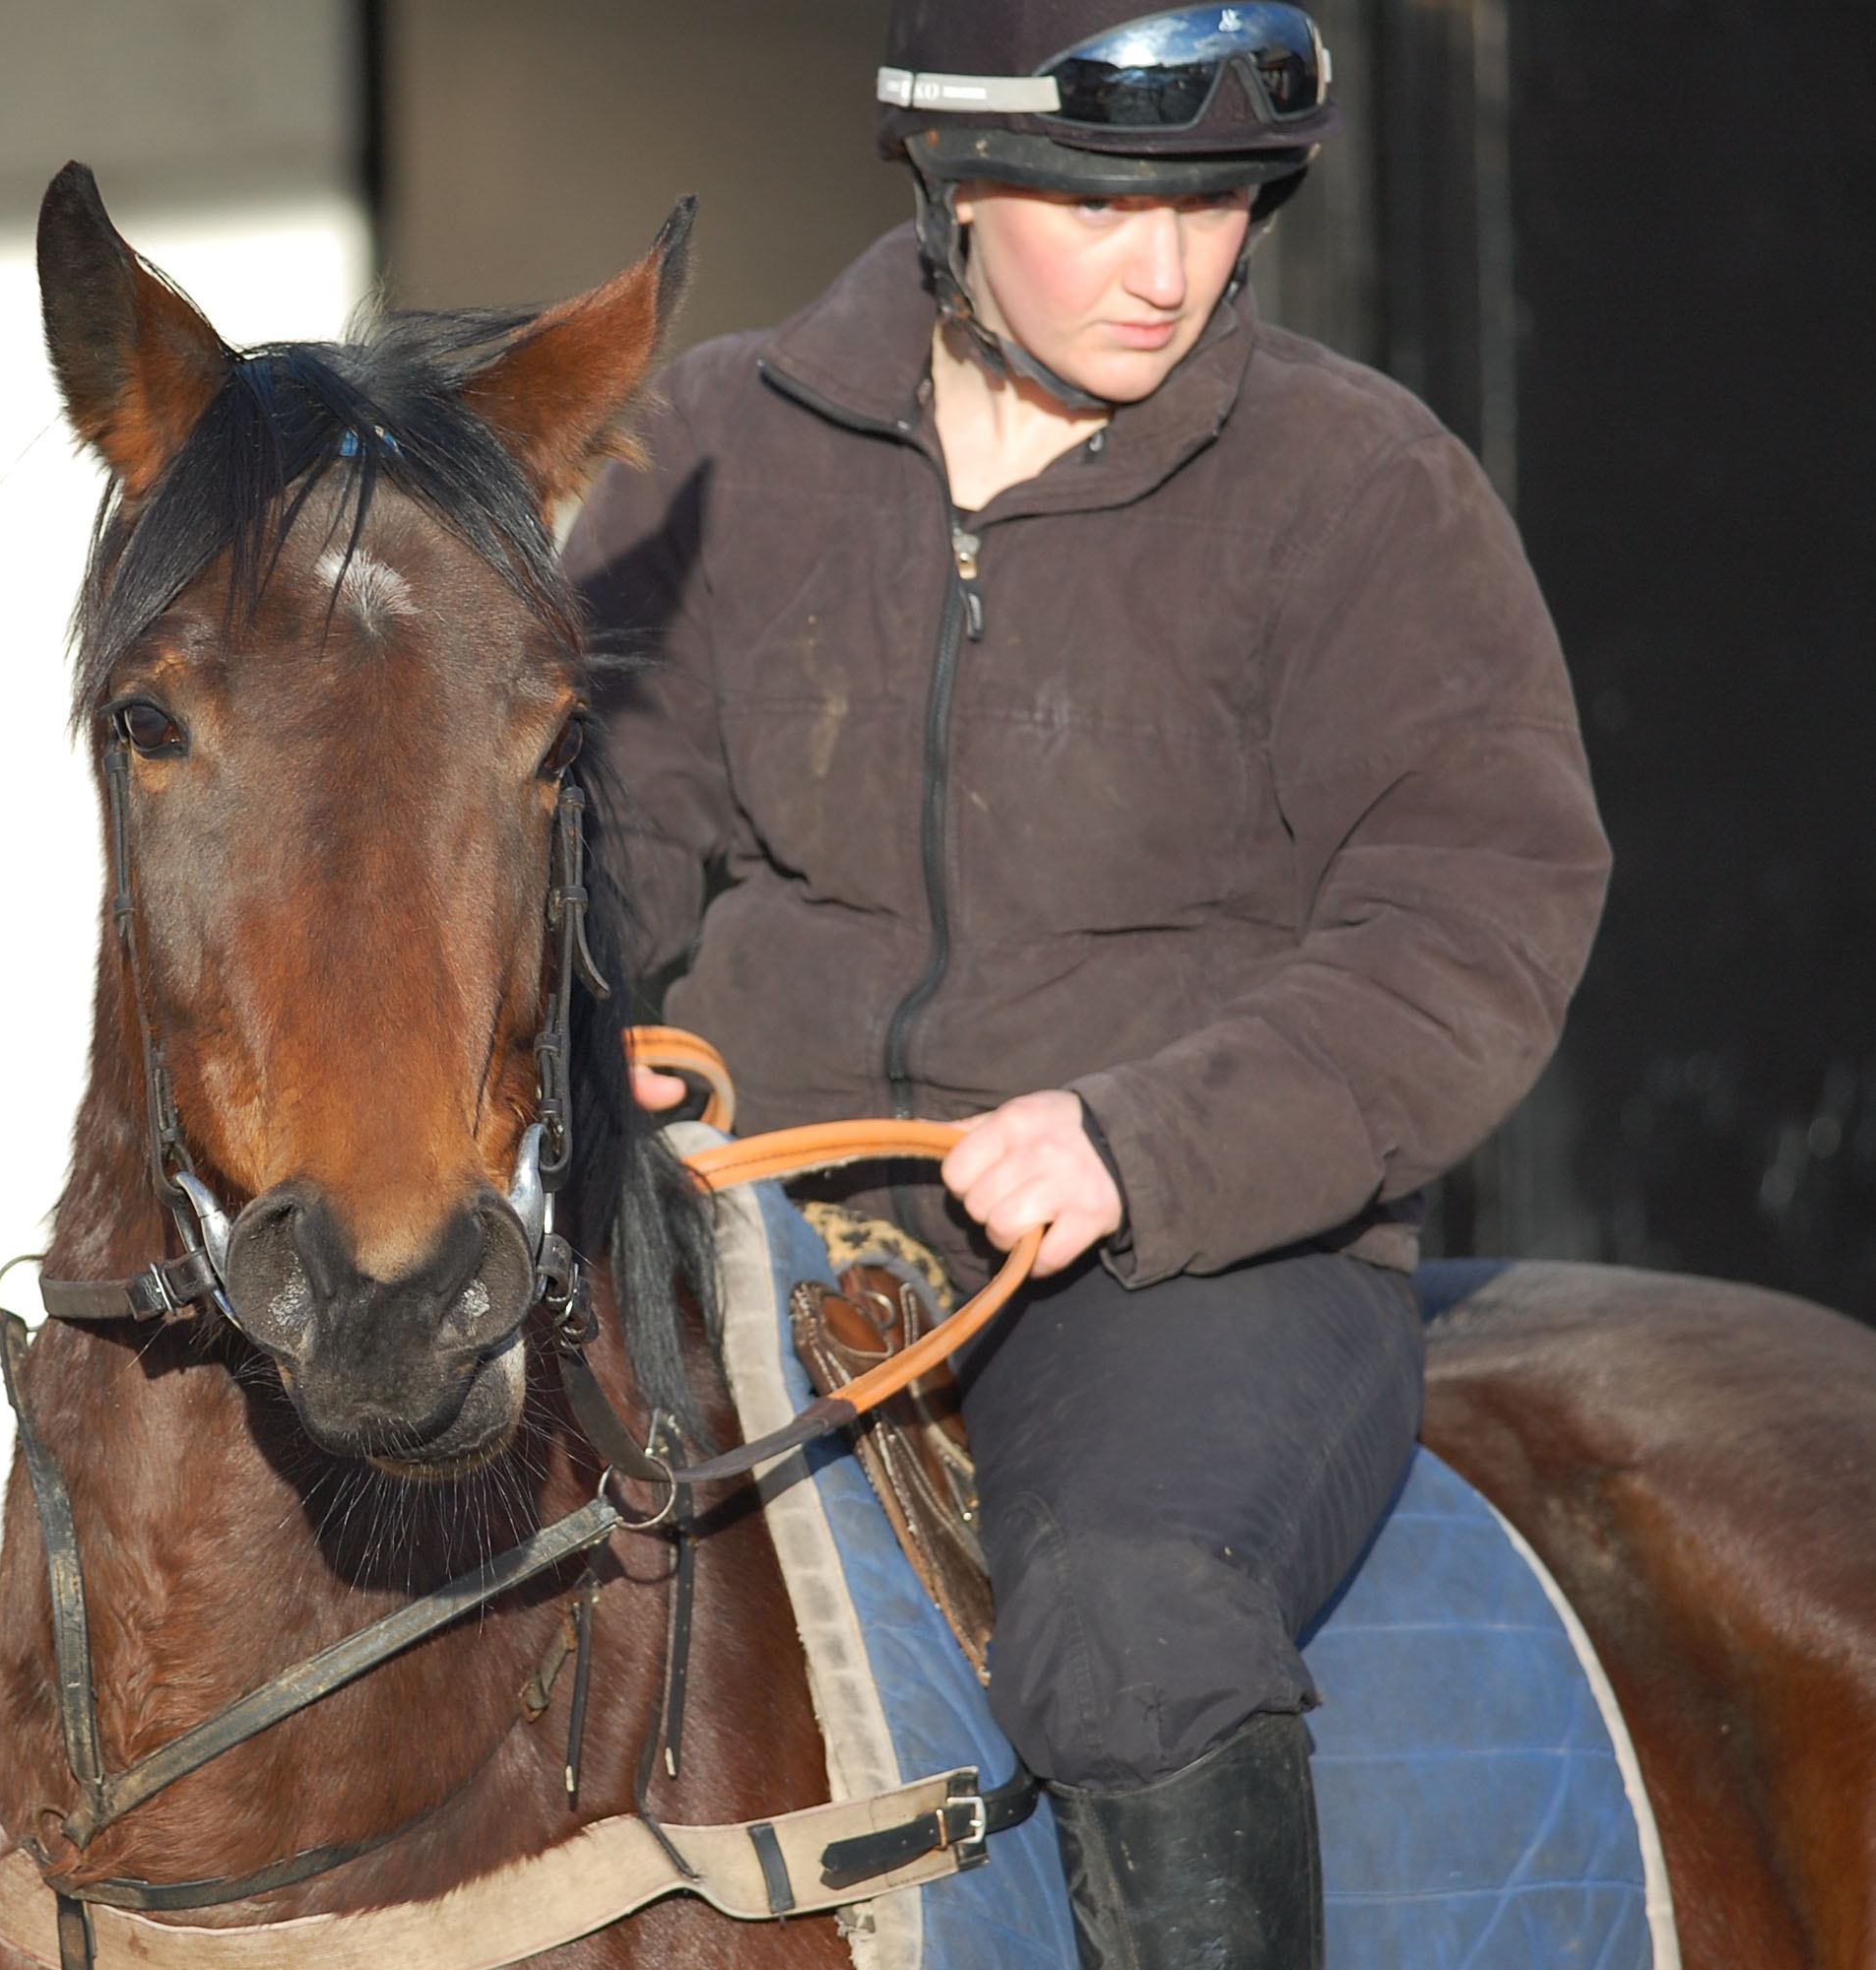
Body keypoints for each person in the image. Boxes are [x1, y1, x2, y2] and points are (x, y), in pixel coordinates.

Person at [563, 2, 1611, 1963]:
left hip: (1201, 1257)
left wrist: (1137, 1142)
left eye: (1217, 207)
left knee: (1128, 1626)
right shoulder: (715, 442)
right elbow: (593, 822)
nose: (1171, 268)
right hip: (760, 1214)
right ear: (954, 180)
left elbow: (1476, 917)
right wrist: (588, 1026)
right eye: (1106, 206)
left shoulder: (1361, 485)